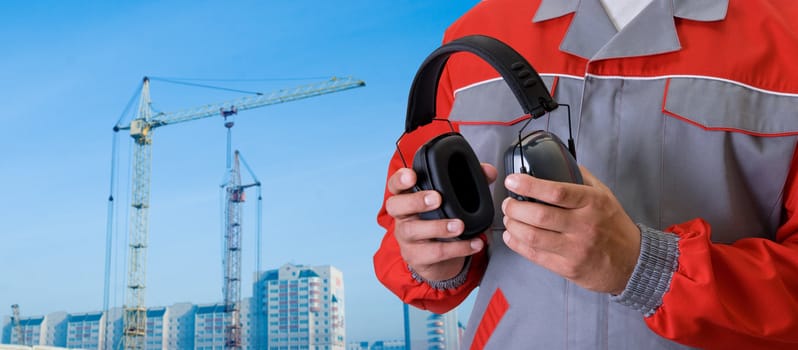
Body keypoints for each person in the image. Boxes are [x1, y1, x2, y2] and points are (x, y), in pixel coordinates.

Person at [373, 0, 798, 349]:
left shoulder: (788, 34)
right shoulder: (474, 37)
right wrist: (433, 259)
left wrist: (647, 268)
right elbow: (404, 236)